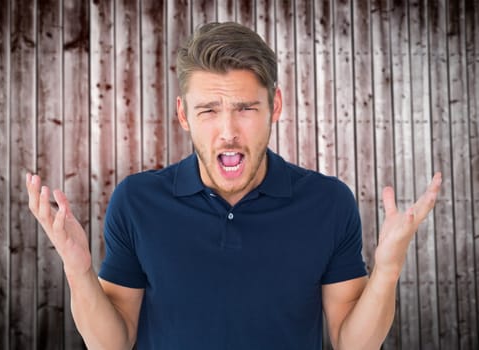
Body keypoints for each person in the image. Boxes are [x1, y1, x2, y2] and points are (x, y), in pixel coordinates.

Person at [26, 22, 442, 350]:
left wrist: (387, 271)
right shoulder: (137, 202)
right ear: (184, 115)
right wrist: (79, 272)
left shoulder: (328, 202)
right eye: (208, 110)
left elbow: (352, 343)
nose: (228, 131)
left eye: (245, 108)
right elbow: (114, 343)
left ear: (274, 106)